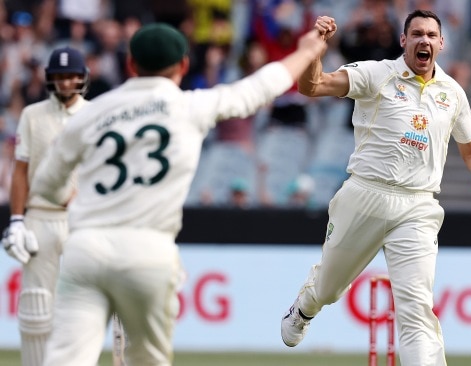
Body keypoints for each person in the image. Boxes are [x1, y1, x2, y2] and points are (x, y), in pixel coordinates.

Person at [30, 23, 326, 366]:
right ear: (184, 66)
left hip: (86, 248)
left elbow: (46, 186)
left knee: (66, 359)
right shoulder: (190, 106)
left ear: (130, 64)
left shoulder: (90, 113)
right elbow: (257, 89)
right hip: (148, 252)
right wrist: (306, 51)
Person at [280, 10, 471, 366]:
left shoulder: (452, 93)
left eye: (431, 34)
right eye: (416, 34)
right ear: (404, 40)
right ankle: (304, 308)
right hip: (364, 195)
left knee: (416, 309)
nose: (424, 40)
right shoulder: (376, 73)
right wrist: (316, 50)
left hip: (417, 206)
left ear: (441, 43)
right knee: (329, 289)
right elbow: (312, 86)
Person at [0, 46, 90, 366]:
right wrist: (16, 221)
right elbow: (20, 170)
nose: (66, 83)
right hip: (40, 219)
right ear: (50, 79)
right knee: (36, 308)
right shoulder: (32, 115)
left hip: (82, 222)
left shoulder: (95, 115)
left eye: (71, 76)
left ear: (82, 78)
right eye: (59, 77)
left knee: (79, 310)